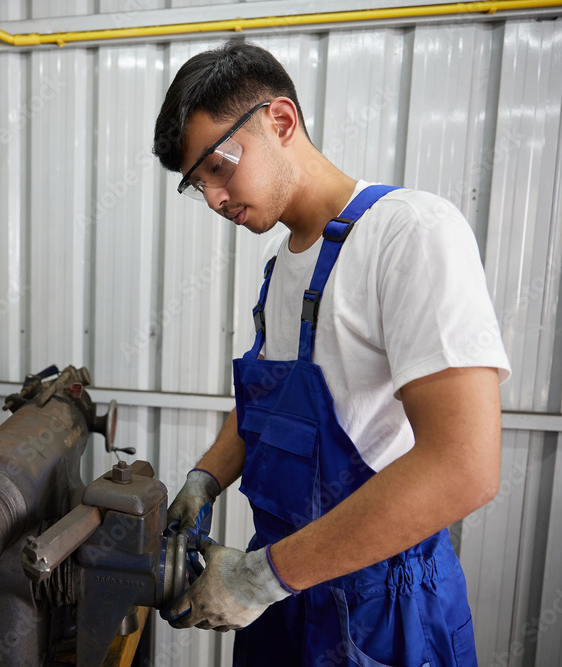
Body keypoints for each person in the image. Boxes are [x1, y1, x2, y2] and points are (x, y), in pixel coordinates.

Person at [153, 41, 510, 666]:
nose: (212, 198)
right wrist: (204, 480)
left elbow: (465, 465)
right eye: (196, 184)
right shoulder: (281, 268)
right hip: (286, 591)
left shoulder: (411, 234)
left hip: (379, 606)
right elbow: (270, 408)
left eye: (218, 166)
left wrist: (262, 578)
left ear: (281, 122)